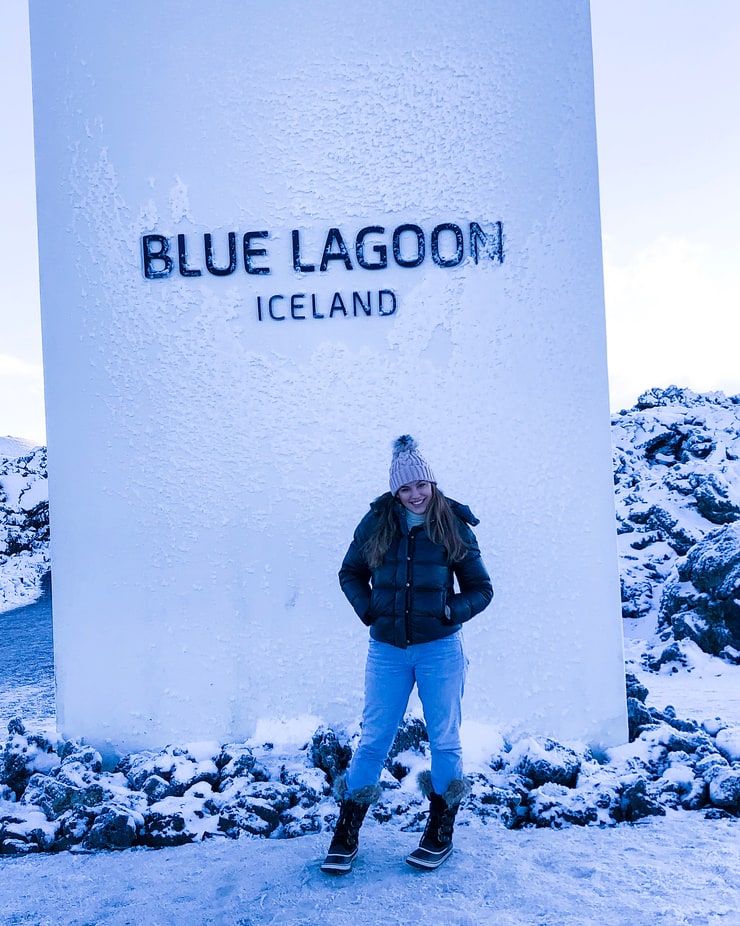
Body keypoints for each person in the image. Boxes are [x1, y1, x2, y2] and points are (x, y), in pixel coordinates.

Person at [321, 435, 493, 874]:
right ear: (395, 492)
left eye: (421, 484)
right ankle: (346, 832)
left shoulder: (453, 525)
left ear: (431, 483)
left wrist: (450, 609)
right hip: (387, 651)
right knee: (374, 739)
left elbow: (481, 589)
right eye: (405, 488)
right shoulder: (376, 524)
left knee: (445, 738)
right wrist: (369, 609)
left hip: (440, 650)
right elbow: (350, 573)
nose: (415, 494)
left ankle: (440, 831)